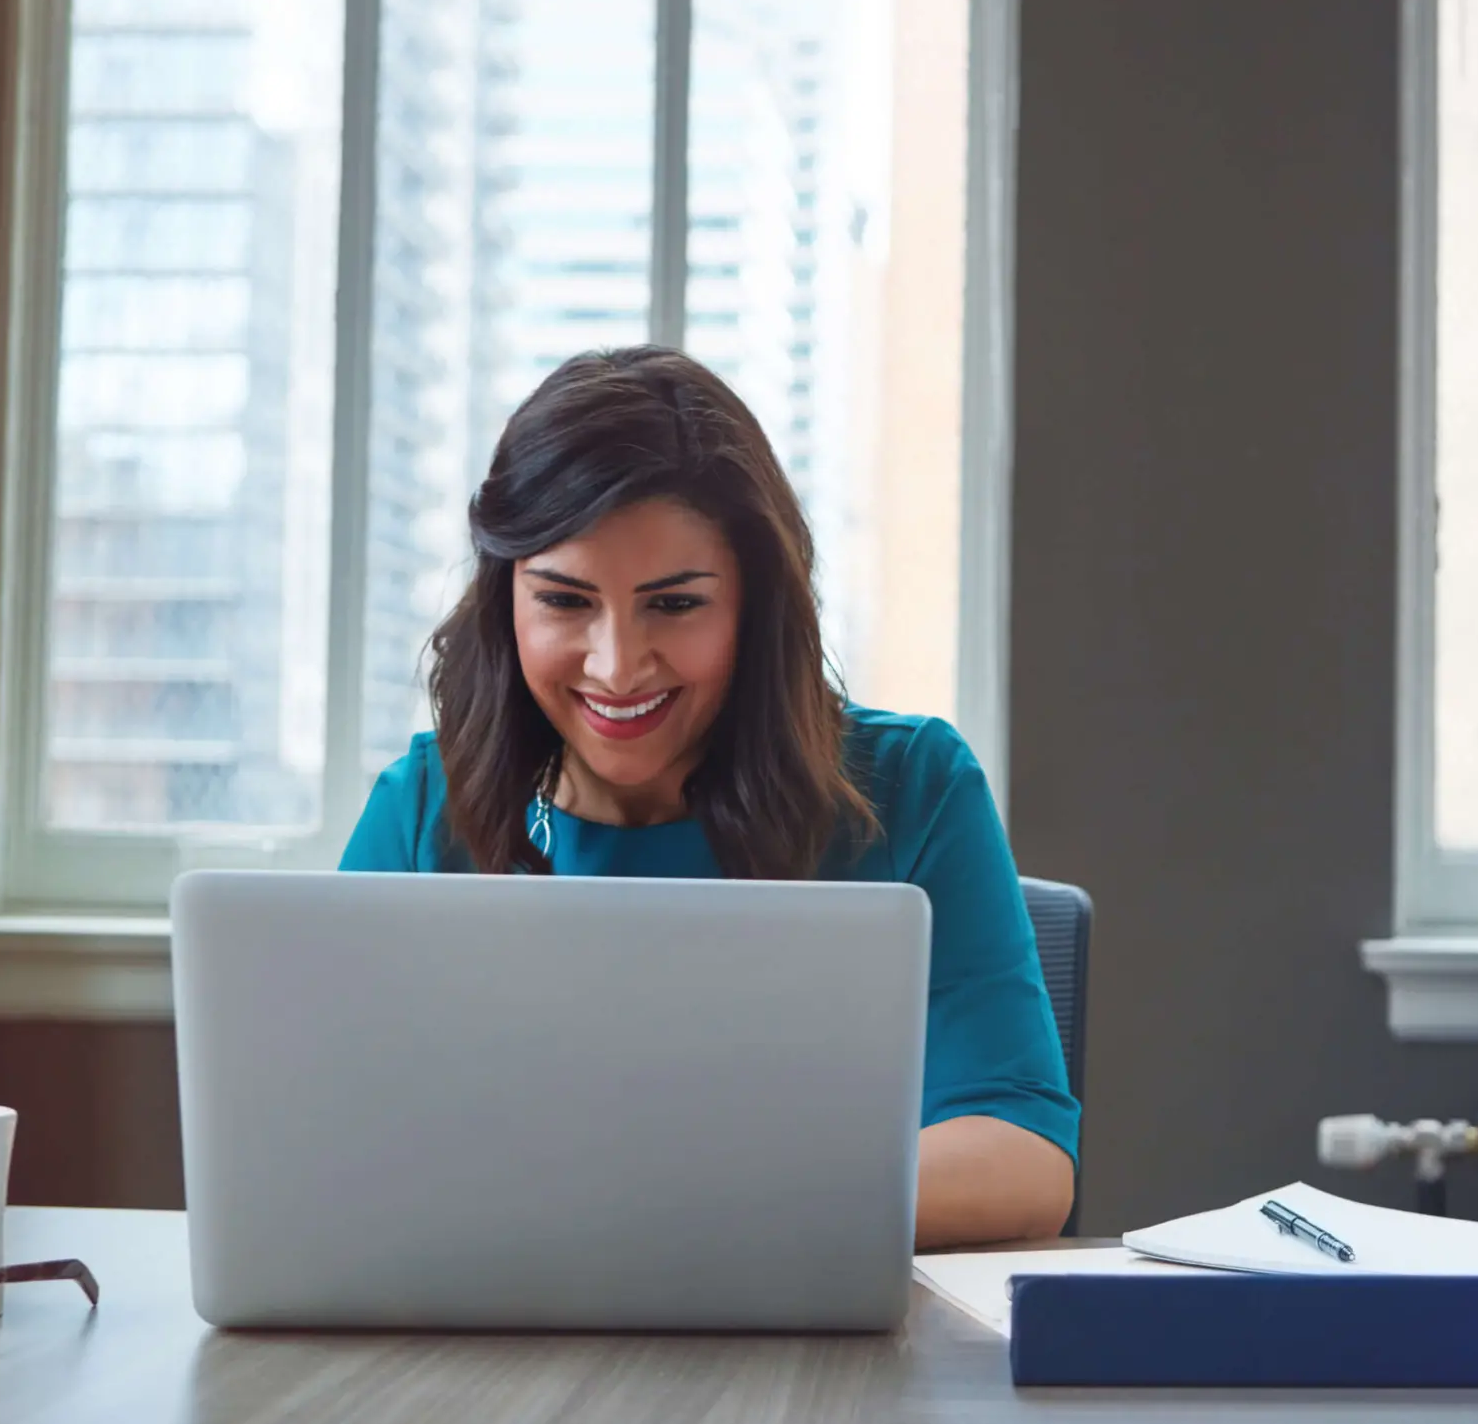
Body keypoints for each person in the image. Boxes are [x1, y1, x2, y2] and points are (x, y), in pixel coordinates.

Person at [339, 346, 1078, 1249]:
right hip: (501, 1347)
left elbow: (1024, 1158)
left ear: (754, 607)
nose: (616, 665)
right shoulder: (424, 808)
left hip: (819, 1361)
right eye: (565, 601)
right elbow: (326, 1142)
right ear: (506, 604)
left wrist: (686, 1210)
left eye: (675, 605)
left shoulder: (913, 788)